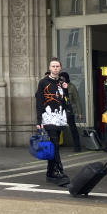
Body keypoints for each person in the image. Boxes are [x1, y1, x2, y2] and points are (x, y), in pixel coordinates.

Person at [36, 57, 70, 186]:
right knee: (55, 143)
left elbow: (65, 100)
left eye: (57, 66)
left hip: (59, 116)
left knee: (54, 145)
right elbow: (39, 101)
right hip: (48, 116)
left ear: (60, 68)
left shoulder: (61, 82)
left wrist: (65, 89)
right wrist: (39, 120)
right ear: (49, 68)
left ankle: (50, 172)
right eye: (53, 66)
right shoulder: (43, 82)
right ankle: (59, 171)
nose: (55, 68)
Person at [59, 71, 82, 152]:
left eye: (63, 79)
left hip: (69, 110)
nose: (61, 80)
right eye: (60, 79)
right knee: (57, 128)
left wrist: (79, 112)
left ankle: (77, 146)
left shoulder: (71, 87)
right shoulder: (58, 86)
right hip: (59, 111)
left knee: (73, 129)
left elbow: (77, 100)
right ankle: (56, 146)